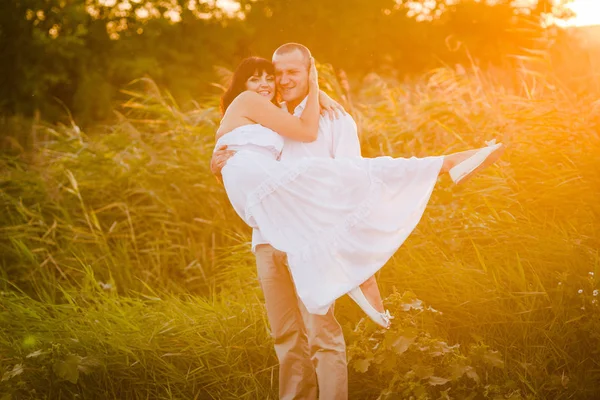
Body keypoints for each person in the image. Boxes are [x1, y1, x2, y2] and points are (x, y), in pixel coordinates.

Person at [212, 44, 504, 399]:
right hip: (267, 239)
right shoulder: (266, 113)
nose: (282, 81)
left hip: (310, 241)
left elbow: (351, 182)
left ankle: (444, 164)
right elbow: (244, 160)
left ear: (310, 73)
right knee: (285, 336)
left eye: (293, 73)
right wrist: (218, 165)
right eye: (279, 74)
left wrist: (321, 96)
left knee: (322, 334)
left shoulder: (334, 119)